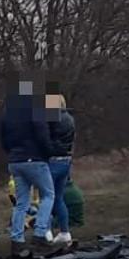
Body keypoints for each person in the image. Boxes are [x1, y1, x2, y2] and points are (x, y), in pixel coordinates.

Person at [0, 81, 57, 256]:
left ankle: (17, 240)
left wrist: (12, 153)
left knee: (21, 203)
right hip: (34, 159)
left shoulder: (7, 113)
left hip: (15, 161)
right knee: (48, 195)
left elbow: (3, 138)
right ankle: (40, 234)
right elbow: (42, 133)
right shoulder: (35, 110)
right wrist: (49, 152)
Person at [46, 93, 77, 246]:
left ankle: (47, 230)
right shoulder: (70, 119)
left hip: (53, 160)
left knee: (47, 197)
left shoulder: (52, 119)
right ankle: (65, 231)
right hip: (66, 159)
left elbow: (45, 136)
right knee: (58, 197)